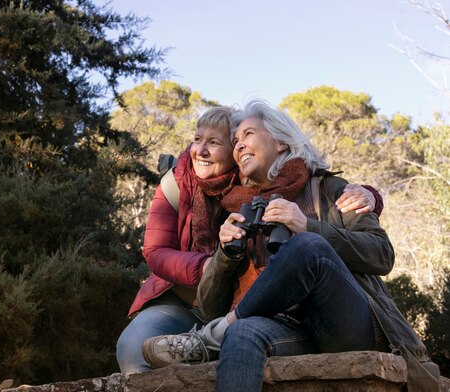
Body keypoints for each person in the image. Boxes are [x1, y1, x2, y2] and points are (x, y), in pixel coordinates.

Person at [140, 99, 440, 392]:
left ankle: (214, 336)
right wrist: (226, 254)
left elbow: (382, 254)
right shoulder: (241, 212)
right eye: (236, 141)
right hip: (290, 332)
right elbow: (210, 305)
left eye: (249, 134)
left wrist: (305, 225)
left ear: (282, 141)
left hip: (349, 326)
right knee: (243, 333)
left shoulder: (330, 189)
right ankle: (226, 333)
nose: (240, 145)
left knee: (308, 246)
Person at [116, 106, 382, 374]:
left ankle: (216, 337)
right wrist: (213, 263)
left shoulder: (256, 187)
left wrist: (370, 196)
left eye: (215, 142)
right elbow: (155, 251)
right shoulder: (180, 183)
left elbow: (358, 229)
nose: (201, 151)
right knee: (134, 348)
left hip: (259, 312)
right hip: (184, 300)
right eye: (197, 140)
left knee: (247, 329)